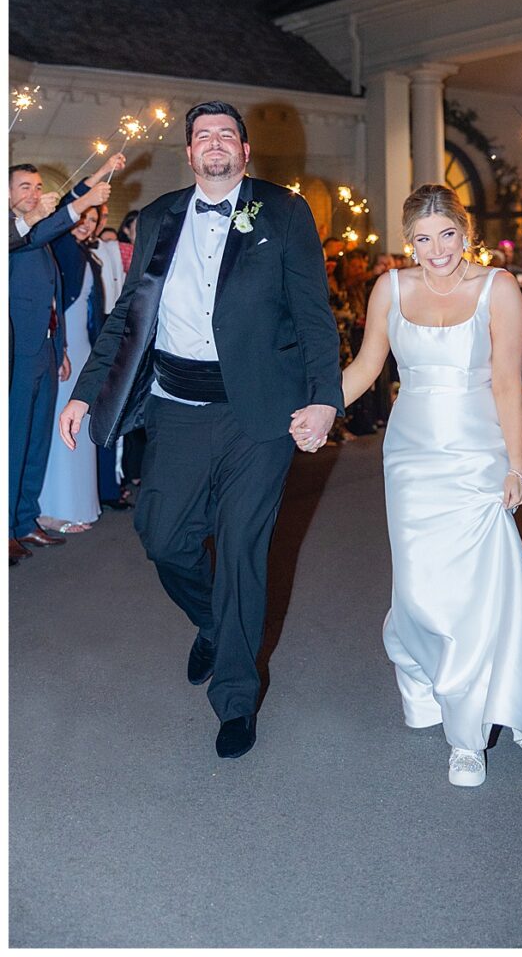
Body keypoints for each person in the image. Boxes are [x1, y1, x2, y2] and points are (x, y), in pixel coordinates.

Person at [59, 103, 342, 761]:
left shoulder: (283, 211)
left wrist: (324, 400)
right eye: (201, 136)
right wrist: (85, 391)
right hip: (176, 407)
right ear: (189, 154)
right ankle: (214, 623)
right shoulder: (160, 215)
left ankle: (236, 699)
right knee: (162, 538)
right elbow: (130, 314)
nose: (213, 144)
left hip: (261, 414)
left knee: (243, 550)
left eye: (225, 134)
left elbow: (313, 312)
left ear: (244, 150)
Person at [339, 185, 522, 786]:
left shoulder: (498, 288)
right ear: (407, 242)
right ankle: (417, 671)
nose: (435, 250)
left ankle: (466, 738)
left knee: (469, 598)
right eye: (422, 238)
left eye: (446, 235)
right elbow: (366, 368)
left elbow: (505, 384)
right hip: (410, 460)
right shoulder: (390, 287)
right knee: (416, 591)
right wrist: (313, 409)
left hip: (476, 458)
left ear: (465, 234)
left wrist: (514, 465)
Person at [10, 158, 119, 558]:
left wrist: (59, 351)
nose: (34, 194)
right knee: (14, 442)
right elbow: (59, 219)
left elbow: (53, 299)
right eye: (24, 186)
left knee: (37, 443)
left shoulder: (37, 231)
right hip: (17, 354)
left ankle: (24, 522)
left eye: (38, 187)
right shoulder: (16, 232)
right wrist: (86, 197)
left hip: (45, 351)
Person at [37, 198, 106, 533]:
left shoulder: (87, 256)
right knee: (59, 429)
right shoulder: (62, 249)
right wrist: (60, 347)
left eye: (92, 219)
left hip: (84, 350)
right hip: (63, 349)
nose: (86, 224)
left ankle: (79, 505)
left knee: (81, 428)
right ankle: (54, 508)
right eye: (81, 217)